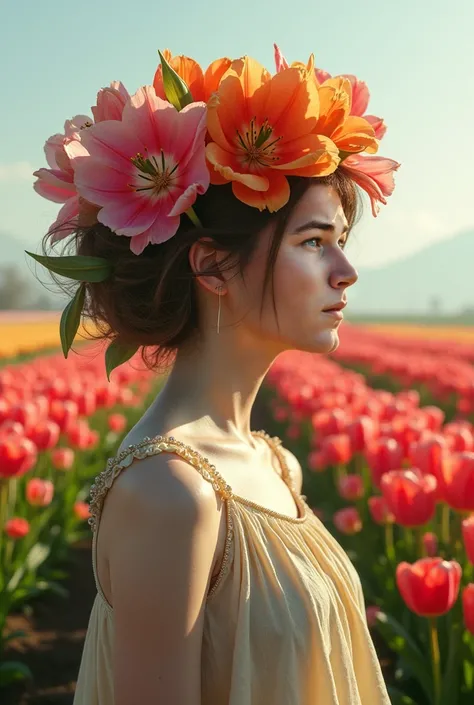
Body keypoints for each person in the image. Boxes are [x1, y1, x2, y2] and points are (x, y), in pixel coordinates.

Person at [31, 46, 398, 705]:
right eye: (314, 241)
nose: (345, 269)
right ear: (212, 267)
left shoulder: (271, 461)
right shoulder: (170, 497)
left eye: (341, 239)